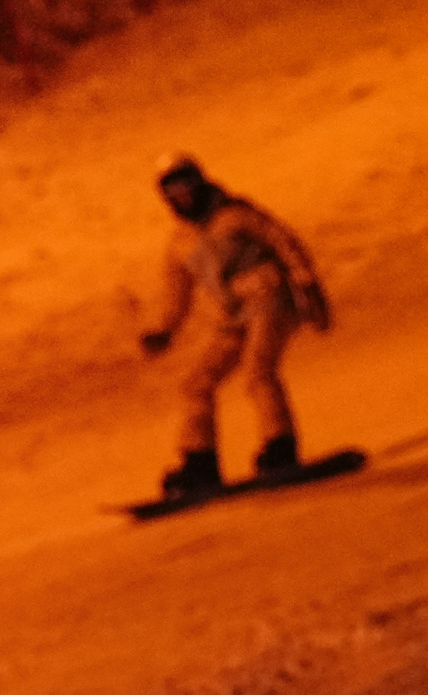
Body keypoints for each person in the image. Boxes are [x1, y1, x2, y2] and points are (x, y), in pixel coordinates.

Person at [138, 154, 332, 501]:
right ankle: (200, 461)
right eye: (172, 193)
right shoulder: (182, 243)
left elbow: (283, 242)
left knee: (258, 370)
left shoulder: (236, 215)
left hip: (270, 300)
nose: (181, 197)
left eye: (185, 187)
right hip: (231, 318)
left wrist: (307, 285)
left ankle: (279, 445)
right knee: (197, 384)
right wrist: (164, 330)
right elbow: (177, 293)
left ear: (199, 181)